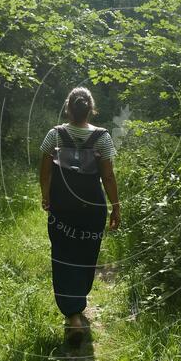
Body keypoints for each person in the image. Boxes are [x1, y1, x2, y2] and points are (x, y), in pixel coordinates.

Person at [39, 87, 121, 346]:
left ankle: (72, 313)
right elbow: (107, 176)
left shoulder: (54, 135)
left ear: (68, 108)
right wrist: (115, 205)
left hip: (62, 207)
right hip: (92, 208)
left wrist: (46, 195)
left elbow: (44, 170)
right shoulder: (103, 138)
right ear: (90, 108)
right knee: (86, 255)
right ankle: (78, 306)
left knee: (63, 255)